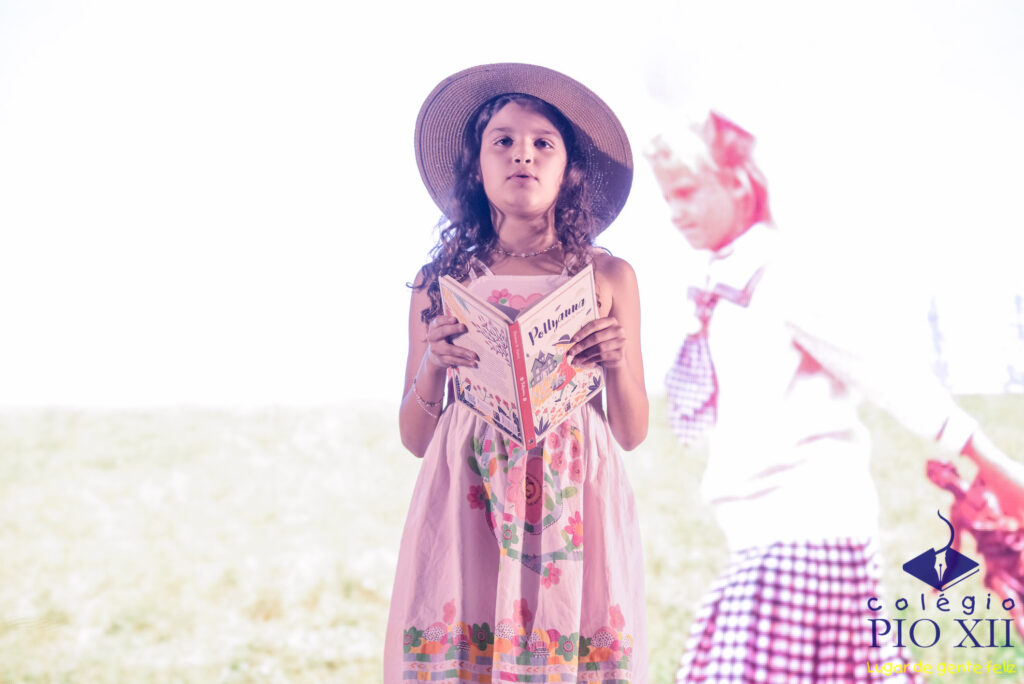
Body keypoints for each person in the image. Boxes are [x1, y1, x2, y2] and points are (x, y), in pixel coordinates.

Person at [645, 111, 1024, 683]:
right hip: (767, 540)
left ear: (738, 184)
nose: (675, 213)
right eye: (666, 199)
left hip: (805, 536)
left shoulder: (784, 275)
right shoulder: (727, 285)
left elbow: (886, 369)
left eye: (687, 192)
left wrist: (989, 460)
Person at [384, 63, 649, 684]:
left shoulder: (607, 277)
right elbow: (414, 438)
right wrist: (434, 364)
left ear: (568, 169)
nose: (521, 154)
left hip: (572, 487)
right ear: (477, 166)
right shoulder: (441, 281)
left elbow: (633, 431)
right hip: (469, 486)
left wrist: (615, 362)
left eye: (542, 143)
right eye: (502, 140)